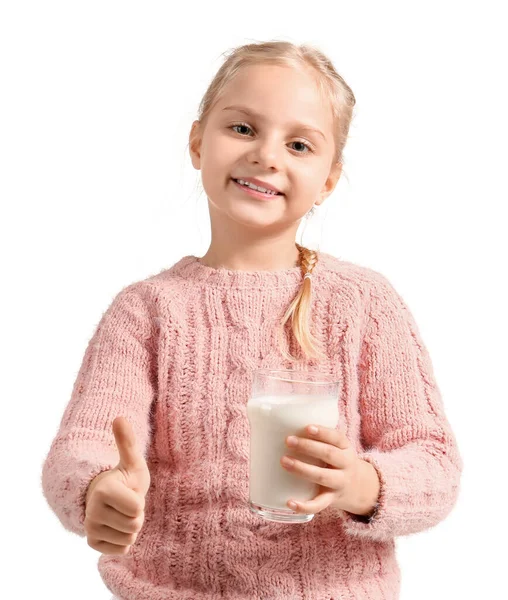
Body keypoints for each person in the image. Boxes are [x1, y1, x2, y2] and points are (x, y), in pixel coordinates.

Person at [40, 40, 463, 600]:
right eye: (242, 129)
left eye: (299, 144)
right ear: (197, 142)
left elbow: (433, 462)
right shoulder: (146, 311)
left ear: (329, 180)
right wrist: (98, 490)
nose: (267, 156)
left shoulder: (363, 304)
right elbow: (83, 445)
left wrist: (361, 483)